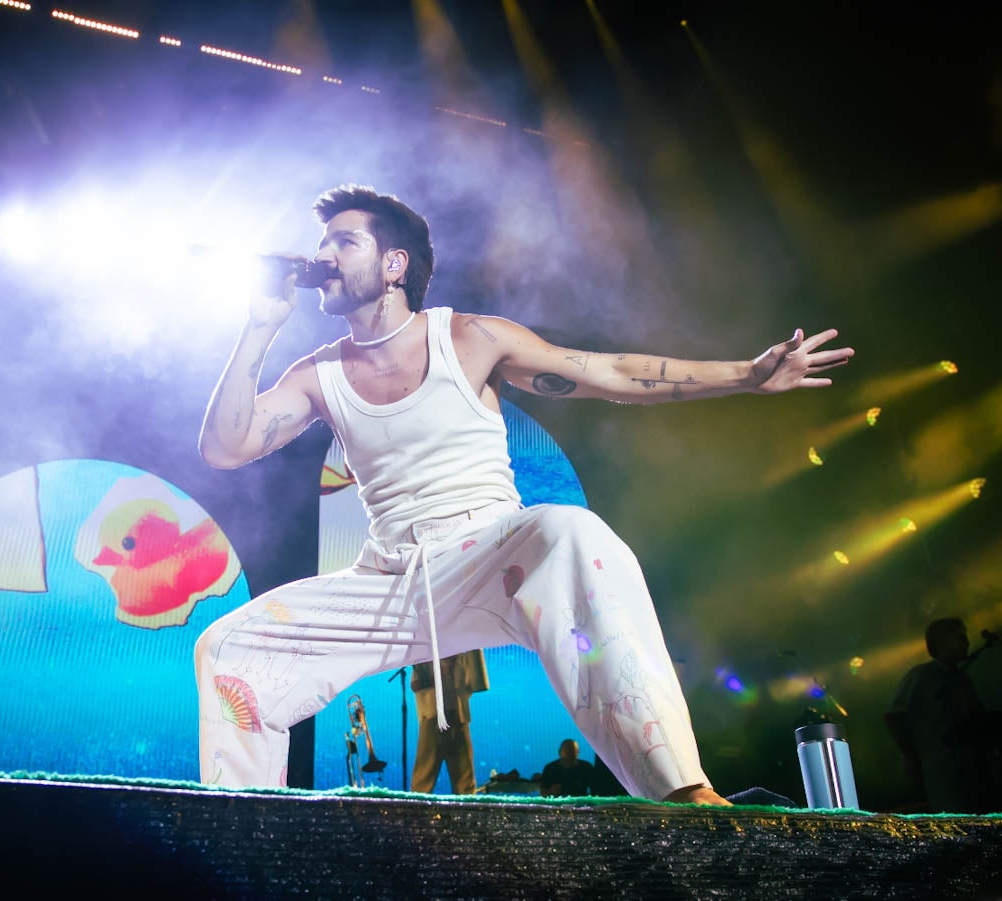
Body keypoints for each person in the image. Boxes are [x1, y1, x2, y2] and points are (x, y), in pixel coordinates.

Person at [194, 184, 854, 805]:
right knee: (229, 648)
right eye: (323, 243)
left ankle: (684, 794)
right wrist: (259, 325)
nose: (322, 256)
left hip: (490, 553)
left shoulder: (469, 338)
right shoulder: (319, 371)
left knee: (571, 532)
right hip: (392, 578)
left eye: (343, 242)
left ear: (395, 263)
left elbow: (605, 372)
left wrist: (745, 375)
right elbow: (226, 447)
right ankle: (245, 827)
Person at [884, 617, 990, 812]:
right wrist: (912, 756)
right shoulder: (922, 675)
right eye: (959, 637)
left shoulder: (963, 679)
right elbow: (893, 716)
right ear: (941, 643)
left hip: (968, 767)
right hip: (940, 767)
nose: (966, 642)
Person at [410, 650, 486, 795]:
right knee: (423, 779)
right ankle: (416, 814)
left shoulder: (462, 652)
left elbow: (473, 682)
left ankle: (466, 814)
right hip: (433, 717)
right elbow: (416, 684)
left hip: (458, 715)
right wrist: (442, 672)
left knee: (465, 781)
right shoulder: (427, 650)